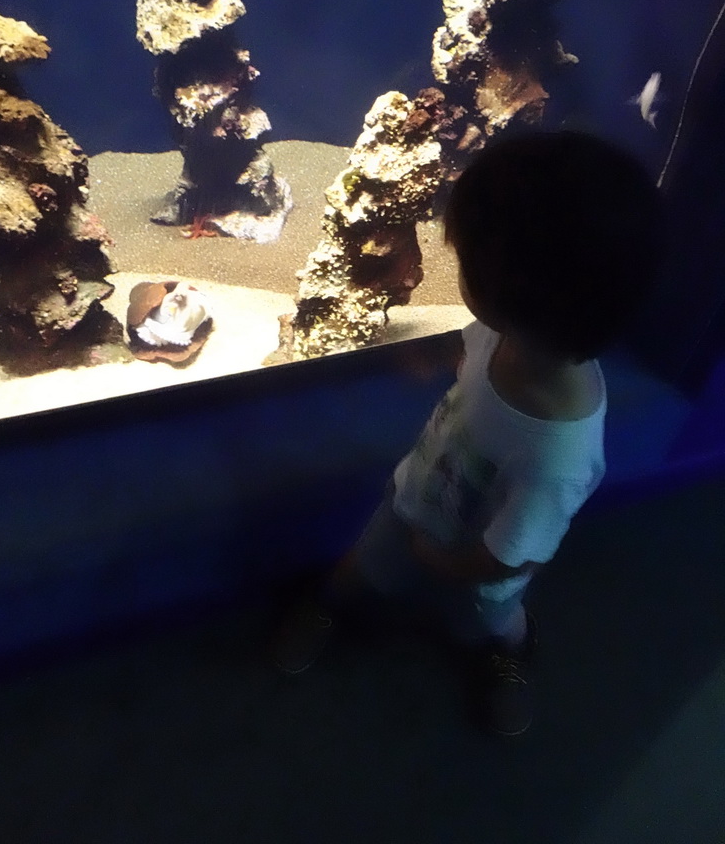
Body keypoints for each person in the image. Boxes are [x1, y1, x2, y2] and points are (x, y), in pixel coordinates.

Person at [269, 129, 668, 737]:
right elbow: (470, 352)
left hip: (479, 564)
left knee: (487, 619)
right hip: (417, 497)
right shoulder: (512, 332)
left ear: (501, 294)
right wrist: (443, 365)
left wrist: (451, 564)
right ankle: (330, 605)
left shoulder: (557, 455)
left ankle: (506, 656)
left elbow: (523, 550)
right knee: (365, 564)